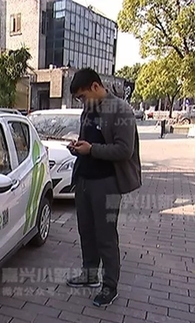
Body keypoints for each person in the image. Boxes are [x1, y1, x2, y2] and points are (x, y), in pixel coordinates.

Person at [66, 68, 142, 307]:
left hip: (107, 183)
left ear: (95, 86)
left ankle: (110, 285)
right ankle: (89, 274)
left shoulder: (121, 110)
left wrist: (92, 150)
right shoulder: (88, 110)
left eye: (83, 96)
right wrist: (78, 147)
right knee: (86, 231)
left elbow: (124, 150)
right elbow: (88, 141)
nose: (82, 102)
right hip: (84, 180)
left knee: (105, 235)